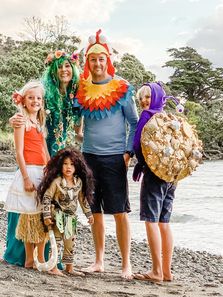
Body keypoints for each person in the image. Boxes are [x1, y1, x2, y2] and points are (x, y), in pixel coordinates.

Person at [3, 50, 80, 267]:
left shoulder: (75, 95)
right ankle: (27, 257)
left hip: (58, 156)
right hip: (36, 160)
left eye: (68, 66)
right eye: (59, 67)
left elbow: (75, 124)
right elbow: (26, 122)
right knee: (32, 210)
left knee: (52, 207)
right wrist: (17, 116)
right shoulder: (45, 97)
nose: (64, 70)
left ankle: (52, 259)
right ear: (52, 70)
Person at [73, 29, 139, 279]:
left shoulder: (121, 88)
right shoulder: (82, 89)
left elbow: (134, 123)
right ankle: (98, 260)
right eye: (92, 59)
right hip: (88, 156)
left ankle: (126, 264)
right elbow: (74, 120)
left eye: (101, 59)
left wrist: (128, 152)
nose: (97, 63)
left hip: (115, 158)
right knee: (95, 211)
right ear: (87, 62)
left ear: (107, 60)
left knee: (120, 212)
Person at [132, 82, 178, 282]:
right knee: (164, 223)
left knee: (151, 221)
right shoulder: (169, 118)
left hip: (154, 175)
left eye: (148, 97)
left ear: (157, 98)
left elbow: (137, 144)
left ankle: (156, 271)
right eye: (141, 98)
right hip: (171, 176)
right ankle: (167, 271)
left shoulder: (147, 116)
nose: (144, 101)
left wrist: (140, 164)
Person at [4, 81, 50, 268]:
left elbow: (44, 150)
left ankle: (39, 257)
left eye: (38, 98)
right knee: (29, 215)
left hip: (42, 171)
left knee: (40, 214)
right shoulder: (21, 120)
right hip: (29, 170)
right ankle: (30, 258)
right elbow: (19, 152)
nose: (35, 101)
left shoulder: (38, 122)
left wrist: (50, 170)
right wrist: (25, 178)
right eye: (31, 97)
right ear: (23, 100)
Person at [37, 147, 94, 276]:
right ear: (60, 165)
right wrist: (46, 216)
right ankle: (54, 267)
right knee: (56, 242)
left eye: (72, 164)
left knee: (70, 243)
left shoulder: (78, 183)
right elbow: (47, 198)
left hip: (71, 218)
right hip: (57, 216)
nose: (68, 167)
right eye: (65, 164)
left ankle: (69, 267)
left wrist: (89, 214)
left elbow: (82, 200)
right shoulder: (56, 182)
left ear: (77, 167)